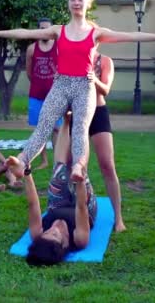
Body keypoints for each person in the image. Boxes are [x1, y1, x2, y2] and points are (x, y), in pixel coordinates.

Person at [0, 0, 155, 182]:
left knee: (80, 129)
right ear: (68, 3)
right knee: (44, 124)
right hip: (61, 84)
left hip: (83, 87)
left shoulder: (96, 33)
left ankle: (78, 166)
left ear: (88, 2)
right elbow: (25, 33)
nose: (76, 2)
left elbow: (130, 35)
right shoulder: (58, 31)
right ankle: (23, 161)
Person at [25, 112, 97, 266]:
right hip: (83, 209)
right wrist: (79, 178)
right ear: (64, 244)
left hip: (57, 205)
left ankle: (66, 121)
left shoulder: (37, 235)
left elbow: (33, 205)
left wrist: (26, 171)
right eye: (55, 235)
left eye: (47, 232)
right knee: (78, 165)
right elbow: (81, 206)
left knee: (59, 169)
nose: (53, 228)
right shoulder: (80, 240)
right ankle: (81, 127)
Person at [89, 53, 126, 232]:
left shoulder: (104, 61)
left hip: (98, 112)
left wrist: (93, 78)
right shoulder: (71, 56)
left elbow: (105, 90)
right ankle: (73, 211)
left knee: (107, 165)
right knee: (72, 165)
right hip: (76, 113)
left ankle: (118, 218)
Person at [25, 17, 60, 170]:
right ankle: (44, 160)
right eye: (42, 29)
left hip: (56, 95)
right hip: (36, 95)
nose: (44, 32)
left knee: (57, 129)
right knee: (40, 129)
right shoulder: (32, 49)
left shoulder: (59, 47)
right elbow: (28, 72)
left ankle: (58, 161)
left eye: (47, 29)